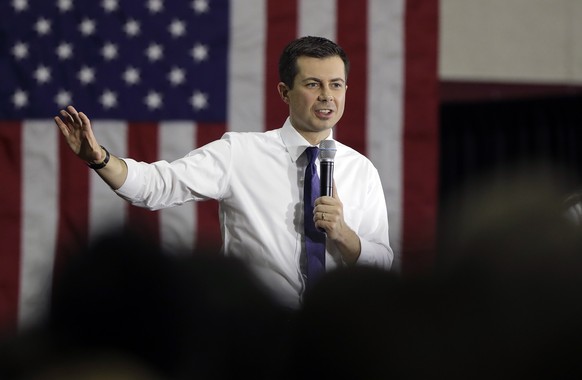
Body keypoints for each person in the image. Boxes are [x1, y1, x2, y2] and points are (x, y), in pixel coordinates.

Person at [53, 36, 393, 309]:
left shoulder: (361, 171)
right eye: (313, 84)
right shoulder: (239, 153)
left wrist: (345, 235)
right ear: (284, 92)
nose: (326, 97)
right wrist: (99, 159)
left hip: (333, 335)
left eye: (336, 85)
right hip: (259, 334)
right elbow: (157, 186)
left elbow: (384, 263)